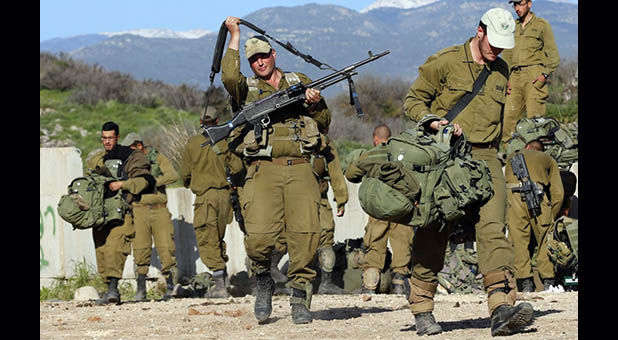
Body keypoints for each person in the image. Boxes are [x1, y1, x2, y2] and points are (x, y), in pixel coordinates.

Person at [403, 8, 534, 336]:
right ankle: (421, 307)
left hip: (487, 158)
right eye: (493, 42)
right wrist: (433, 121)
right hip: (447, 157)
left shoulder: (501, 69)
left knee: (493, 228)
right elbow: (413, 101)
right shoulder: (445, 61)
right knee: (435, 231)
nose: (497, 50)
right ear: (479, 31)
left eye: (503, 45)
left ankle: (501, 308)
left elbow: (502, 119)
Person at [220, 16, 332, 324]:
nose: (258, 62)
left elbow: (324, 123)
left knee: (305, 236)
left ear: (274, 55)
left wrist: (315, 104)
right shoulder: (247, 89)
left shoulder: (299, 80)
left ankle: (299, 299)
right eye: (252, 59)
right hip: (261, 171)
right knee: (258, 237)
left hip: (300, 169)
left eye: (263, 56)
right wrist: (234, 37)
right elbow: (230, 78)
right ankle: (263, 280)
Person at [86, 121, 156, 305]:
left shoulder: (131, 156)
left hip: (121, 211)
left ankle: (113, 290)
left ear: (117, 137)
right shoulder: (98, 159)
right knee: (101, 249)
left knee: (115, 249)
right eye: (104, 138)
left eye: (110, 138)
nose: (107, 142)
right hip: (101, 213)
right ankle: (108, 288)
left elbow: (145, 180)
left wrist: (123, 185)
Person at [180, 108, 244, 299]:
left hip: (205, 197)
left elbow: (184, 174)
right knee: (217, 237)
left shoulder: (193, 143)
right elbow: (238, 167)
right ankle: (222, 282)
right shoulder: (224, 142)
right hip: (224, 197)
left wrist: (192, 181)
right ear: (217, 121)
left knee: (207, 238)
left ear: (201, 121)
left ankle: (219, 286)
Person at [345, 124, 414, 295]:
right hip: (401, 206)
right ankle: (399, 285)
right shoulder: (403, 154)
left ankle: (369, 287)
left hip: (378, 207)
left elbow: (351, 174)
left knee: (375, 242)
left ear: (375, 139)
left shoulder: (371, 154)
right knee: (403, 243)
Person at [121, 133, 180, 300]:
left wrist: (152, 181)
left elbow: (173, 175)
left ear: (139, 145)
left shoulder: (157, 158)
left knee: (167, 248)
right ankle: (140, 290)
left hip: (159, 209)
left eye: (131, 148)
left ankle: (170, 288)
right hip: (138, 209)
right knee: (140, 249)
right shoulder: (129, 162)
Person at [500, 0, 560, 150]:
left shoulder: (542, 25)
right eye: (514, 5)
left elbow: (553, 55)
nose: (517, 8)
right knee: (508, 117)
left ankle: (536, 157)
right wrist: (505, 78)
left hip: (534, 74)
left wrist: (543, 76)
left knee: (535, 121)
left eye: (520, 4)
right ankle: (510, 155)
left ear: (529, 3)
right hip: (514, 76)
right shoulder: (512, 26)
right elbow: (507, 54)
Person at [505, 140, 564, 292]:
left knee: (518, 241)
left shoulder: (512, 156)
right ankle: (548, 282)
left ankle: (525, 283)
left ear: (528, 147)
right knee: (545, 239)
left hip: (513, 198)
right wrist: (551, 214)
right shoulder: (549, 159)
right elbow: (558, 193)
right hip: (538, 198)